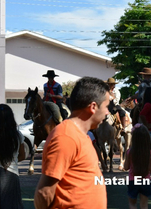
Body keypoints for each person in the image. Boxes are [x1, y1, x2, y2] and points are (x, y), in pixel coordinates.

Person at [34, 77, 109, 209]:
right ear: (93, 107)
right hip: (50, 104)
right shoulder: (66, 136)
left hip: (56, 103)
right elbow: (44, 193)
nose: (108, 112)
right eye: (106, 106)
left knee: (60, 112)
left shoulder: (80, 136)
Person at [0, 104, 26, 209]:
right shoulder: (18, 135)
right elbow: (23, 155)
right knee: (13, 203)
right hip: (13, 175)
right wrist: (14, 160)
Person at [124, 123, 151, 209]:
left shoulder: (130, 152)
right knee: (144, 205)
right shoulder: (150, 153)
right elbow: (150, 170)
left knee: (132, 204)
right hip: (146, 180)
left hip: (133, 180)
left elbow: (126, 167)